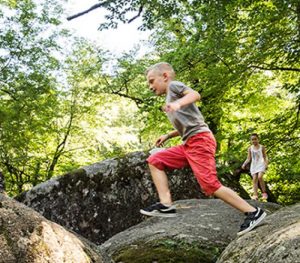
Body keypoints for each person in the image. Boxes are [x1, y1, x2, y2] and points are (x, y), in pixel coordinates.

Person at [140, 62, 266, 236]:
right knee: (155, 160)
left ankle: (253, 212)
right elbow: (189, 123)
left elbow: (195, 94)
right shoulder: (170, 97)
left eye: (151, 81)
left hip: (200, 141)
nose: (150, 86)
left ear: (165, 76)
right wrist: (168, 135)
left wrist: (178, 104)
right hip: (189, 144)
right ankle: (166, 204)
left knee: (209, 184)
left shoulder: (174, 87)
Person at [242, 133, 269, 201]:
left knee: (260, 177)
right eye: (252, 140)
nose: (254, 141)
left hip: (261, 163)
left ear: (258, 139)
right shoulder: (250, 148)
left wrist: (266, 164)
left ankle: (264, 192)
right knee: (254, 179)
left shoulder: (262, 147)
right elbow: (248, 158)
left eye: (255, 139)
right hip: (254, 165)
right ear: (251, 141)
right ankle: (255, 195)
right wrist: (244, 164)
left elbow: (265, 157)